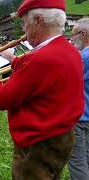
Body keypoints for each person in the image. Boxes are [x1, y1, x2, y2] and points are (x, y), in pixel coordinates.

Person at [0, 0, 84, 179]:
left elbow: (2, 99)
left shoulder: (39, 60)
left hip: (38, 144)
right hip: (63, 136)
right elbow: (41, 72)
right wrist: (13, 58)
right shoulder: (69, 50)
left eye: (25, 22)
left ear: (38, 21)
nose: (24, 29)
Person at [68, 18, 89, 180]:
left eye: (73, 35)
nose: (71, 38)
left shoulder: (82, 57)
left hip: (80, 117)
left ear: (83, 34)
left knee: (78, 161)